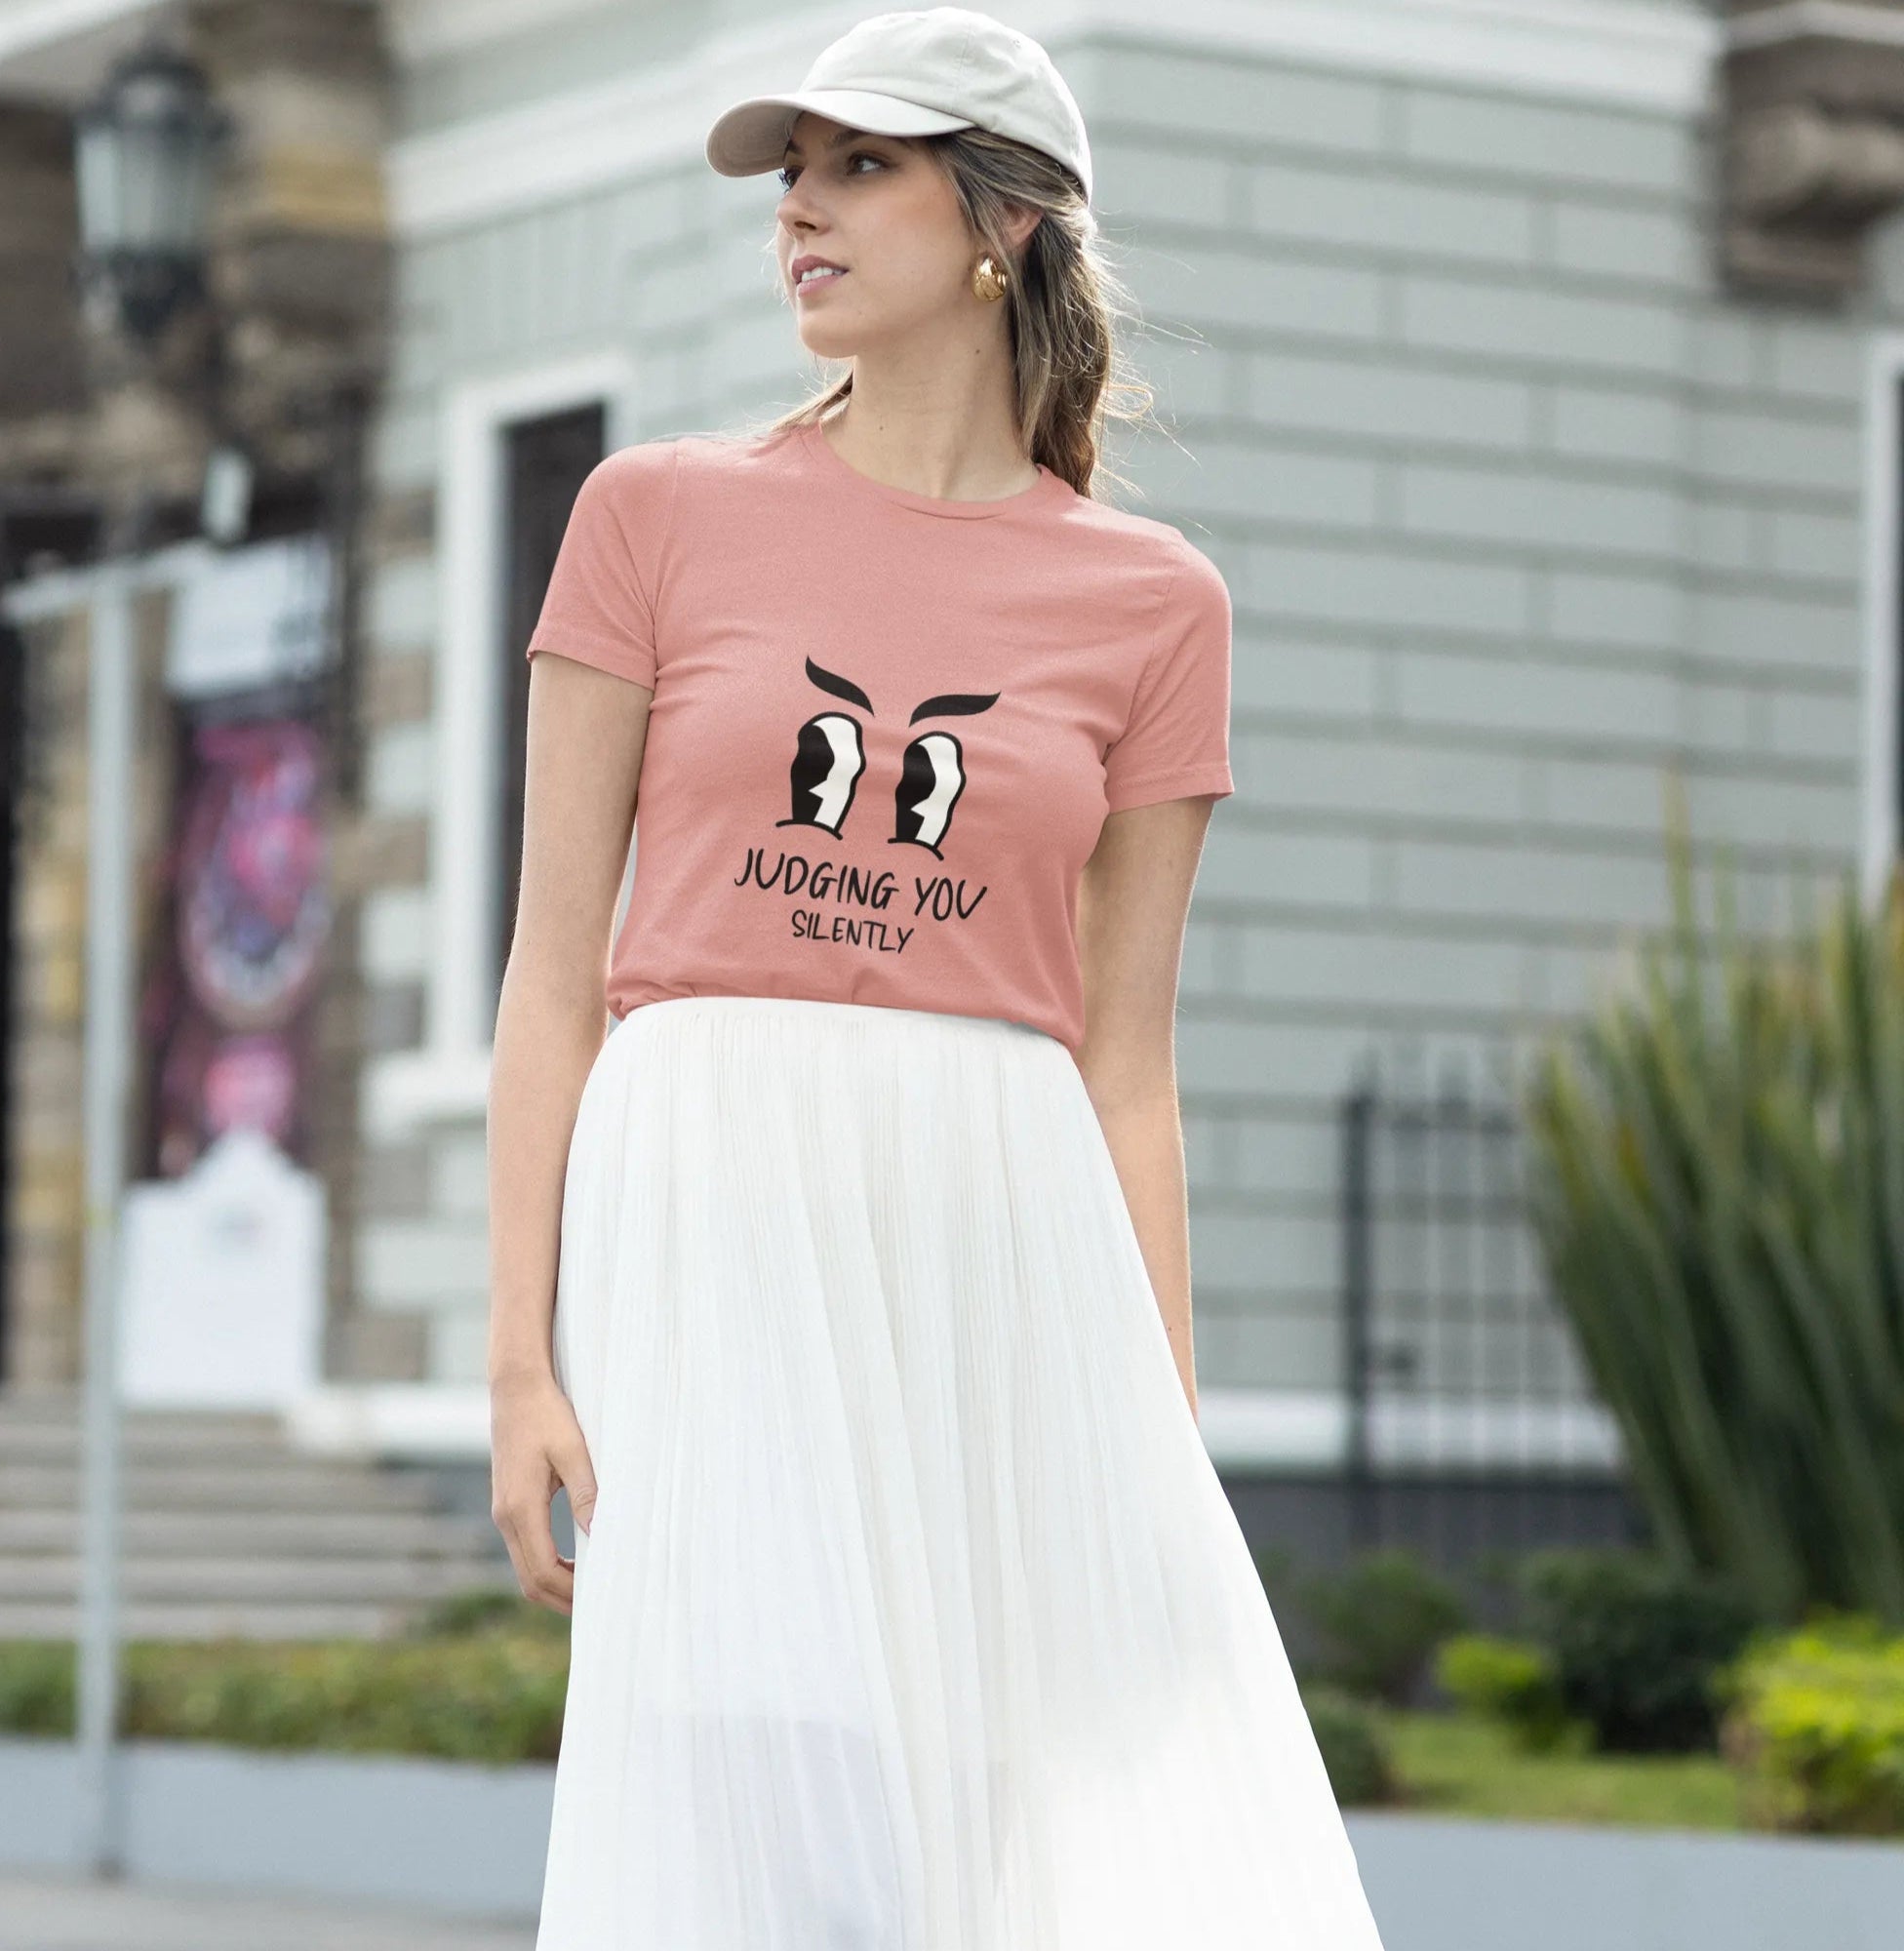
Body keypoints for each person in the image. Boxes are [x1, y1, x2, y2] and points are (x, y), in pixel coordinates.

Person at [488, 8, 1390, 1946]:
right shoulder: (650, 517)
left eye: (857, 167)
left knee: (992, 1808)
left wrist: (1159, 1425)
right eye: (789, 172)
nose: (797, 211)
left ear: (1003, 225)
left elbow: (1124, 1063)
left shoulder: (1157, 604)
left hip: (1000, 1227)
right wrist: (515, 1363)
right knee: (740, 1785)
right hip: (711, 1203)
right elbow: (553, 974)